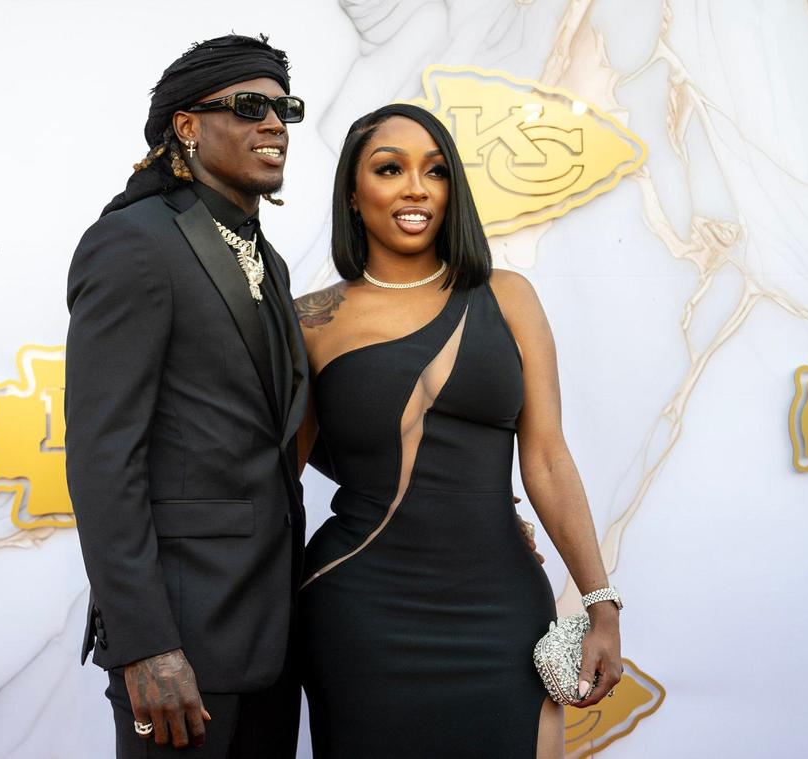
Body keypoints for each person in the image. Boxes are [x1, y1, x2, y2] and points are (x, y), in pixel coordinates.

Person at [293, 103, 623, 758]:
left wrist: (601, 601)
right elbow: (276, 483)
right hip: (361, 614)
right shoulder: (311, 322)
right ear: (354, 196)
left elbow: (549, 458)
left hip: (499, 609)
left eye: (436, 171)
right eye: (390, 168)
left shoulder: (507, 296)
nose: (416, 187)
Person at [64, 35, 309, 758]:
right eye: (249, 106)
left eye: (283, 108)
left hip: (270, 638)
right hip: (179, 646)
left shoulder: (270, 259)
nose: (274, 124)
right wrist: (146, 644)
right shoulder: (133, 243)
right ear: (188, 125)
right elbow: (104, 458)